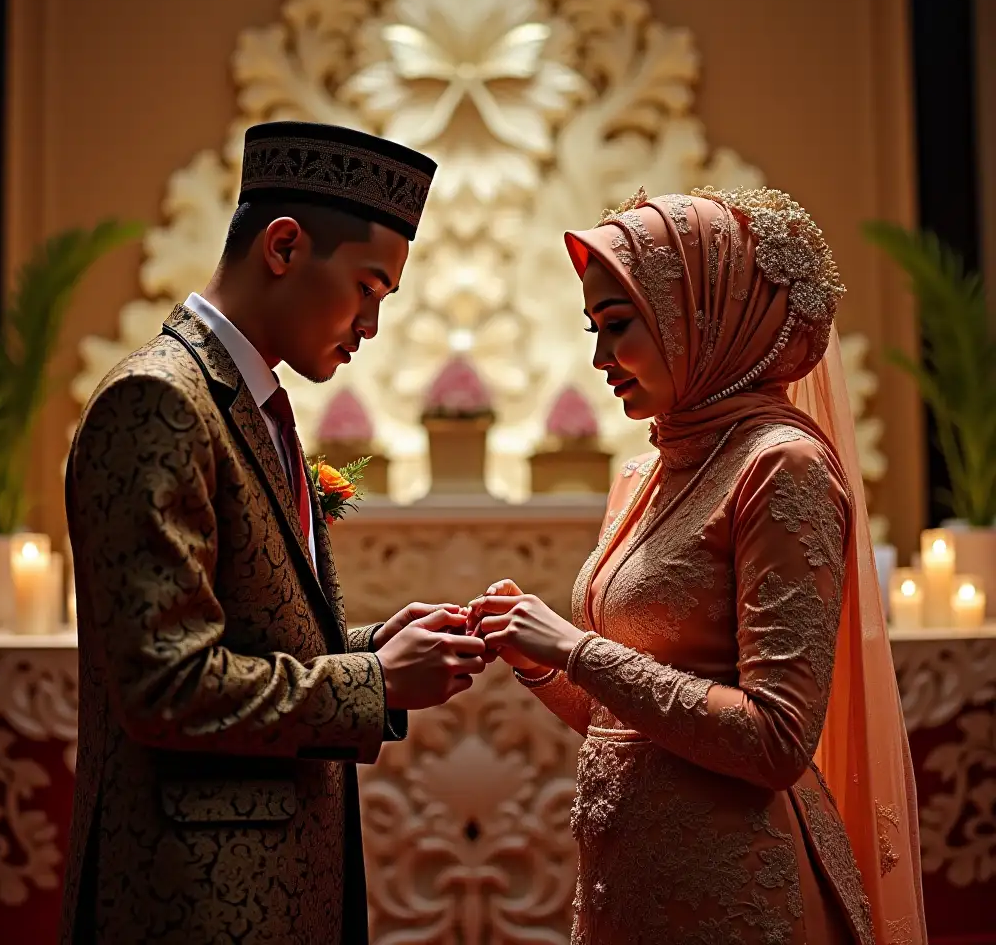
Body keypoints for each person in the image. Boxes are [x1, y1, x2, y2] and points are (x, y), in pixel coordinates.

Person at [60, 121, 487, 945]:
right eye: (368, 288)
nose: (371, 324)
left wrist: (372, 648)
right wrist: (377, 684)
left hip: (273, 885)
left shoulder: (250, 403)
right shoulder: (158, 400)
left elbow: (249, 637)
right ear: (284, 247)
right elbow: (166, 686)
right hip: (192, 896)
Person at [469, 188, 926, 944]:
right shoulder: (644, 474)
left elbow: (776, 739)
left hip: (734, 890)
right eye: (593, 329)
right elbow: (627, 720)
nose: (598, 358)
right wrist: (541, 665)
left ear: (702, 319)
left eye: (619, 327)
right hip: (633, 886)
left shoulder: (783, 466)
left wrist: (575, 648)